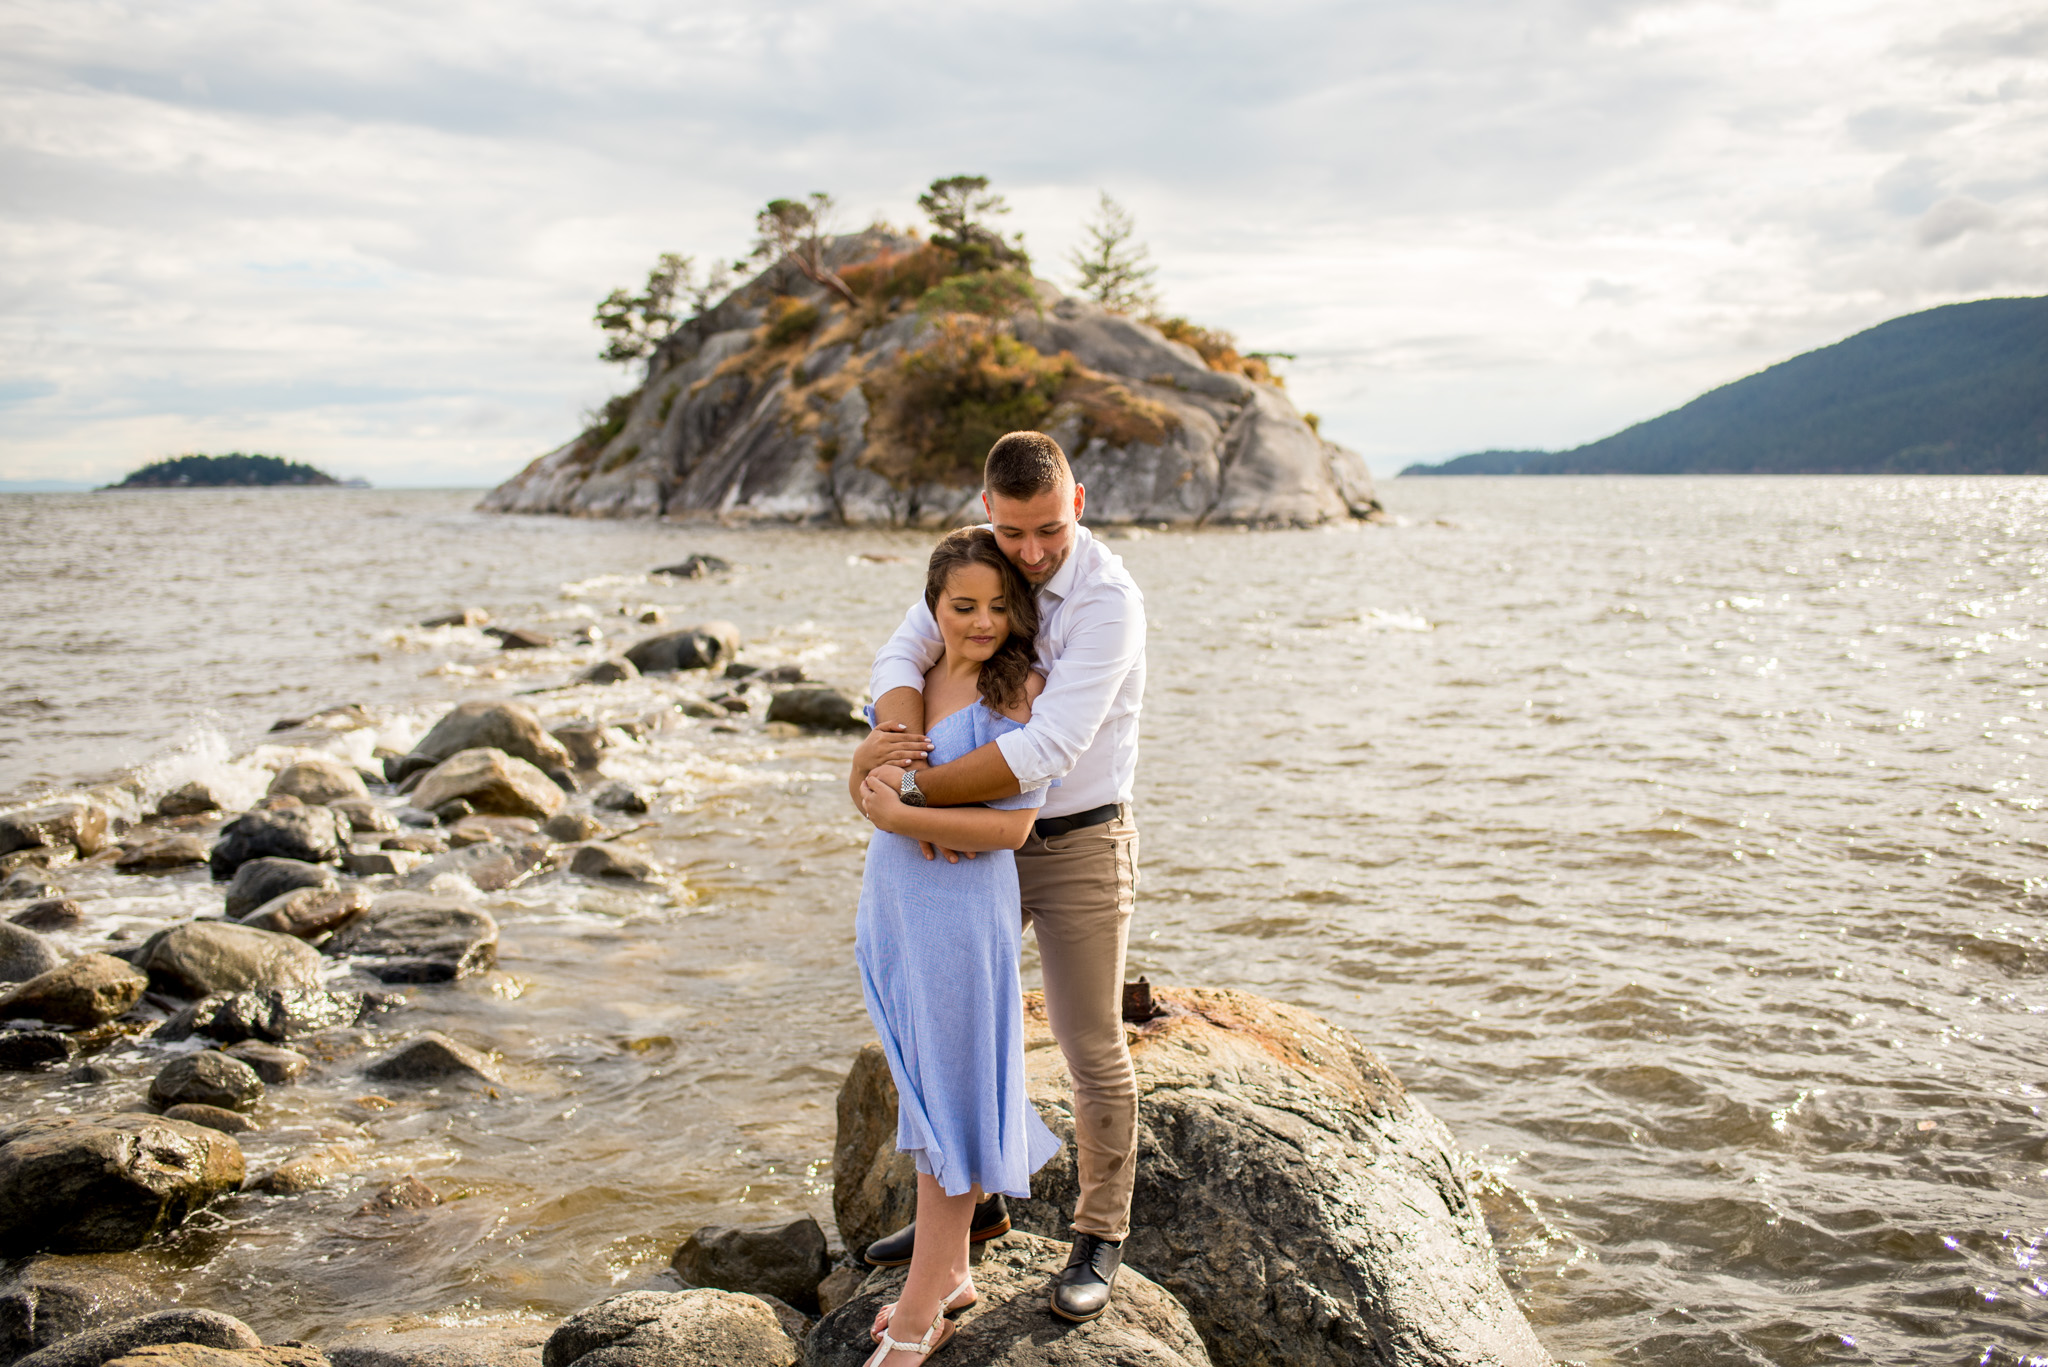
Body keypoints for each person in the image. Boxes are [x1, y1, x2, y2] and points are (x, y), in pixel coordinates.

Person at [854, 430, 1146, 1323]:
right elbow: (899, 662)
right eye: (1015, 530)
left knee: (1089, 1040)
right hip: (971, 847)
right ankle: (969, 1210)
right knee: (943, 1024)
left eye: (1049, 531)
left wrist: (914, 795)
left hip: (1077, 842)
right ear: (988, 509)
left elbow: (1048, 746)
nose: (1031, 552)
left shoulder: (1108, 601)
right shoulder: (979, 567)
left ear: (1080, 504)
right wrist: (895, 747)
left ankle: (1099, 1234)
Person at [849, 527, 1064, 1365]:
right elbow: (869, 778)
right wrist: (870, 780)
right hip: (894, 901)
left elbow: (1013, 826)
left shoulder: (1021, 688)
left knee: (953, 1089)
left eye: (997, 606)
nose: (980, 622)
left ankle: (919, 1307)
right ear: (932, 607)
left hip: (961, 905)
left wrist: (903, 813)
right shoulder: (913, 678)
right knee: (921, 1079)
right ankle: (953, 1271)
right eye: (961, 605)